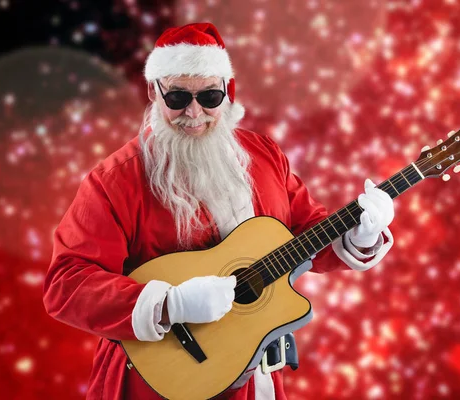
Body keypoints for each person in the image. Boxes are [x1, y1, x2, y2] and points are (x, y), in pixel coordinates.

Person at [43, 22, 395, 400]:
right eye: (177, 97)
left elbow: (307, 233)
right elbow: (67, 284)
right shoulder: (115, 181)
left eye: (209, 96)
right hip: (158, 384)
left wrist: (360, 235)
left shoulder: (263, 155)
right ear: (153, 91)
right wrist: (168, 304)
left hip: (259, 380)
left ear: (228, 91)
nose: (194, 113)